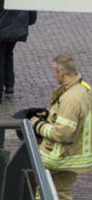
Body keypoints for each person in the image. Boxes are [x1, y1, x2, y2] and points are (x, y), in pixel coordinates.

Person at [30, 53, 92, 200]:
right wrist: (49, 115)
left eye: (55, 72)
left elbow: (62, 133)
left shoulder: (70, 99)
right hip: (75, 156)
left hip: (60, 156)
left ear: (61, 72)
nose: (54, 75)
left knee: (43, 192)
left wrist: (38, 125)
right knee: (60, 192)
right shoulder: (83, 89)